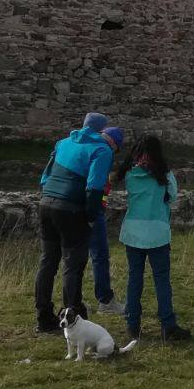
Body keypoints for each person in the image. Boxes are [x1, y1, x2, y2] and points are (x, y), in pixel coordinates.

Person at [33, 112, 117, 332]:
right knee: (73, 265)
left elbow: (45, 177)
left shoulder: (63, 143)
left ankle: (43, 317)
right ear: (102, 131)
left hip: (46, 203)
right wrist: (91, 217)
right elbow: (95, 187)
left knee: (47, 262)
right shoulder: (101, 150)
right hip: (71, 208)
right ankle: (74, 317)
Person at [118, 134, 193, 342]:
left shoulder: (130, 174)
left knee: (135, 278)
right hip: (157, 232)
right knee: (162, 280)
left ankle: (132, 324)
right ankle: (168, 325)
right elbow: (173, 196)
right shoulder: (165, 175)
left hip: (133, 231)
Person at [88, 125, 126, 315]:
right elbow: (96, 185)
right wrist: (96, 210)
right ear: (114, 143)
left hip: (71, 205)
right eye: (116, 149)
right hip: (92, 210)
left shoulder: (82, 146)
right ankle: (105, 301)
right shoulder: (104, 151)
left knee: (73, 257)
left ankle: (73, 302)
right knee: (100, 255)